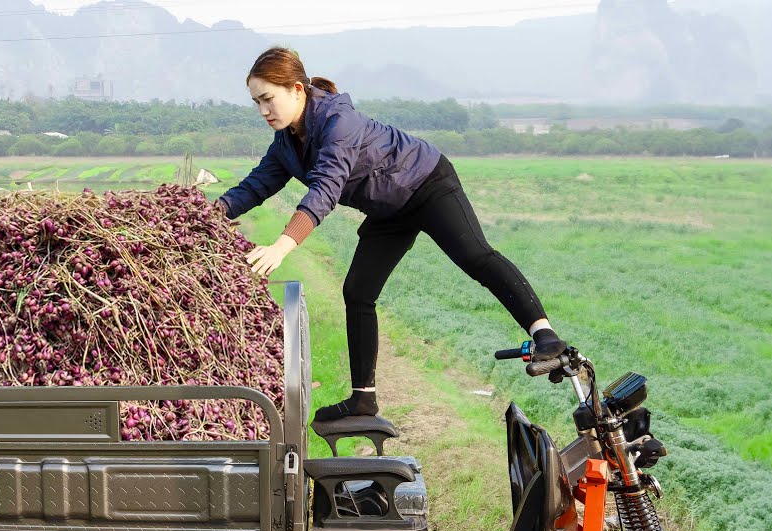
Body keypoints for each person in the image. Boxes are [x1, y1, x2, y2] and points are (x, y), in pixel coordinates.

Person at [217, 47, 566, 422]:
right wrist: (203, 212)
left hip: (426, 182)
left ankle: (546, 335)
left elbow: (326, 188)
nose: (263, 111)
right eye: (256, 102)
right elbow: (253, 187)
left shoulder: (339, 121)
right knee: (358, 292)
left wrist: (283, 245)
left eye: (268, 98)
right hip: (388, 208)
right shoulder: (286, 144)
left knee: (475, 257)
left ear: (297, 90)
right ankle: (363, 399)